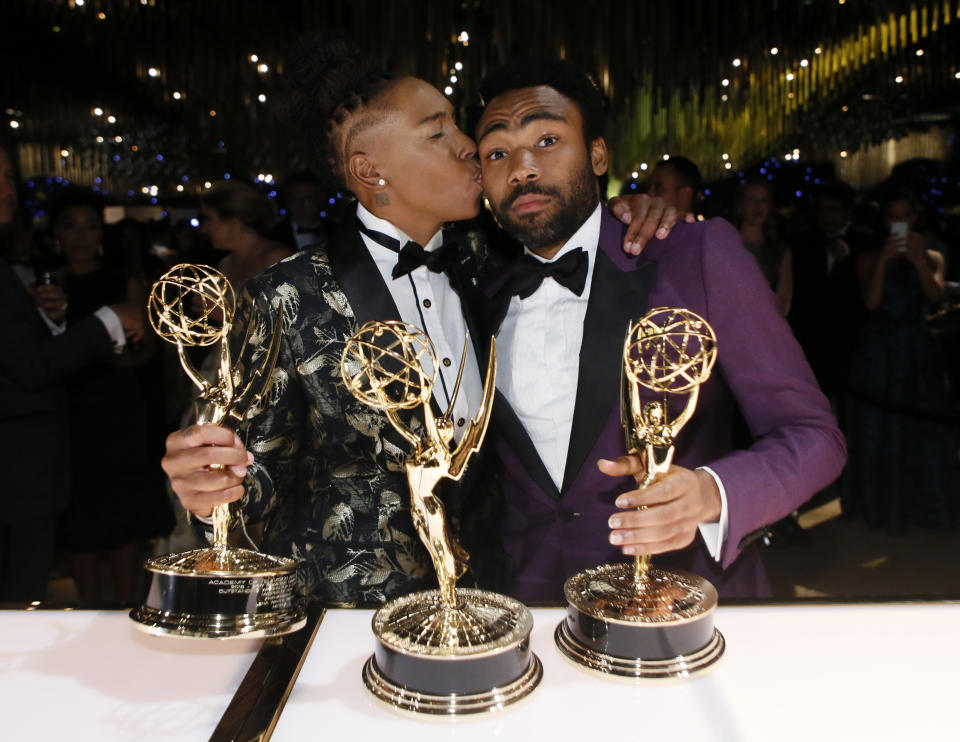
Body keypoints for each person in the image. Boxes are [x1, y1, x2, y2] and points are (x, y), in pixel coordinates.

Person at [160, 35, 684, 606]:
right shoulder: (287, 295)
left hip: (489, 604)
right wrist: (208, 482)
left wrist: (636, 208)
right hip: (350, 623)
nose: (468, 146)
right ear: (370, 170)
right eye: (438, 132)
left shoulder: (488, 262)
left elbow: (580, 229)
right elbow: (255, 481)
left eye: (458, 125)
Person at [473, 58, 846, 600]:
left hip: (684, 595)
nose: (523, 168)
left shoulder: (695, 255)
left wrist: (709, 494)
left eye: (548, 139)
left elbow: (815, 437)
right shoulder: (479, 295)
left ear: (597, 155)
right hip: (533, 606)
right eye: (498, 152)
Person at [0, 145, 144, 601]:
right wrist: (105, 323)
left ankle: (118, 609)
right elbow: (28, 364)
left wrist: (56, 324)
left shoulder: (115, 276)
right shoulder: (39, 276)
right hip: (38, 441)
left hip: (106, 415)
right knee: (22, 589)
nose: (8, 190)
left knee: (118, 517)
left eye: (9, 177)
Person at [49, 187, 174, 603]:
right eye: (71, 226)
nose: (81, 236)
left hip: (116, 407)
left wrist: (94, 357)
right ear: (56, 233)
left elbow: (147, 349)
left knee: (123, 511)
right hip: (66, 410)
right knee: (76, 512)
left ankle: (124, 610)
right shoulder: (45, 283)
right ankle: (85, 610)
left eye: (89, 226)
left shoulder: (123, 280)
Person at [843, 189, 959, 532]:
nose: (899, 224)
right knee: (880, 430)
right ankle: (881, 507)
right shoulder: (868, 257)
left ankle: (927, 506)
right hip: (879, 352)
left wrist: (920, 260)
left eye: (905, 216)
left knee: (922, 428)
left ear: (915, 218)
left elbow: (935, 296)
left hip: (918, 351)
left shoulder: (933, 255)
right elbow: (871, 303)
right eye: (893, 217)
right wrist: (884, 261)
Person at [198, 180, 292, 292]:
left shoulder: (275, 259)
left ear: (232, 221)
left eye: (209, 219)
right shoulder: (225, 265)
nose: (204, 229)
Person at [735, 178, 792, 317]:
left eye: (763, 200)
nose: (757, 206)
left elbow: (784, 298)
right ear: (741, 205)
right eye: (751, 199)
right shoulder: (725, 244)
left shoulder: (779, 250)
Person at [267, 170, 330, 251]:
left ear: (321, 199)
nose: (299, 206)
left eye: (307, 200)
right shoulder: (273, 236)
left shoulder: (337, 232)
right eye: (294, 200)